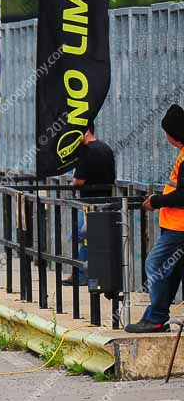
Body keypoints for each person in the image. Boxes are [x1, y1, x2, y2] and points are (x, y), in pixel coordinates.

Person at [126, 104, 184, 333]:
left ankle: (157, 317)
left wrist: (156, 201)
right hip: (174, 226)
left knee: (156, 264)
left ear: (173, 134)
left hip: (178, 228)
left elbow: (182, 195)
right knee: (170, 270)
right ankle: (156, 316)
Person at [64, 120, 116, 286]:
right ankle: (89, 276)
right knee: (92, 237)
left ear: (85, 132)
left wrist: (72, 184)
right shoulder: (106, 149)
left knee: (78, 235)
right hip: (106, 201)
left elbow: (78, 181)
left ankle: (84, 274)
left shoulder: (85, 152)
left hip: (88, 203)